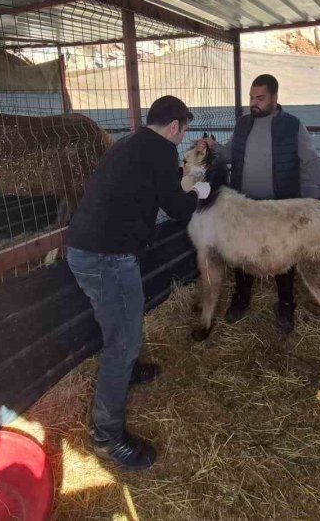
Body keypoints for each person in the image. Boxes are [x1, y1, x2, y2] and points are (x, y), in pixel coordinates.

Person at [67, 95, 210, 470]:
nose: (182, 140)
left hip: (90, 249)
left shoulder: (130, 143)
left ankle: (127, 372)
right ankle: (106, 437)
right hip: (106, 257)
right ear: (175, 126)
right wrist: (200, 192)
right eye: (184, 132)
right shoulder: (160, 149)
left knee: (122, 326)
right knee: (123, 340)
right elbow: (177, 208)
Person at [200, 74, 320, 334]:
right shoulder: (243, 125)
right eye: (251, 97)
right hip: (245, 206)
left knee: (283, 256)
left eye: (260, 98)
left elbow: (312, 161)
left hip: (279, 206)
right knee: (243, 254)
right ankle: (241, 299)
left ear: (275, 97)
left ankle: (286, 305)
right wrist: (213, 147)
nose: (254, 103)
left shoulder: (292, 126)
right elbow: (229, 154)